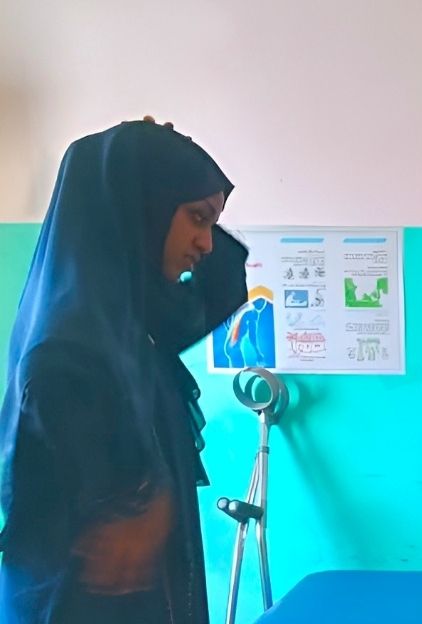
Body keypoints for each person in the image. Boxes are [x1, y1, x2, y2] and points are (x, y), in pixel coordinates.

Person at [0, 117, 248, 623]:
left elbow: (223, 280)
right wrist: (145, 504)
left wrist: (158, 156)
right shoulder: (64, 356)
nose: (206, 241)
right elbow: (106, 516)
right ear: (144, 211)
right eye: (197, 218)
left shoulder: (130, 324)